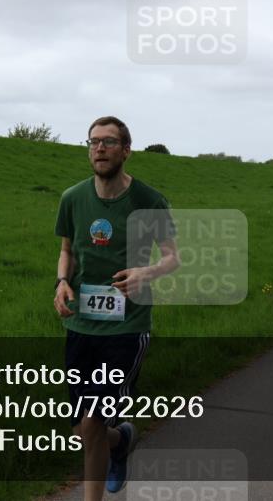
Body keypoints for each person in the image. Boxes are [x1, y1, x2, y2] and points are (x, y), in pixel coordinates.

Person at [53, 116, 179, 500]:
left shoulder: (149, 200)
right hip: (83, 327)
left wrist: (147, 272)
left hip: (127, 329)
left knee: (91, 423)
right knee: (84, 429)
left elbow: (173, 258)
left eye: (108, 142)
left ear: (126, 150)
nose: (99, 148)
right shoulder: (73, 198)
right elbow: (66, 251)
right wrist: (60, 282)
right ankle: (121, 441)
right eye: (93, 142)